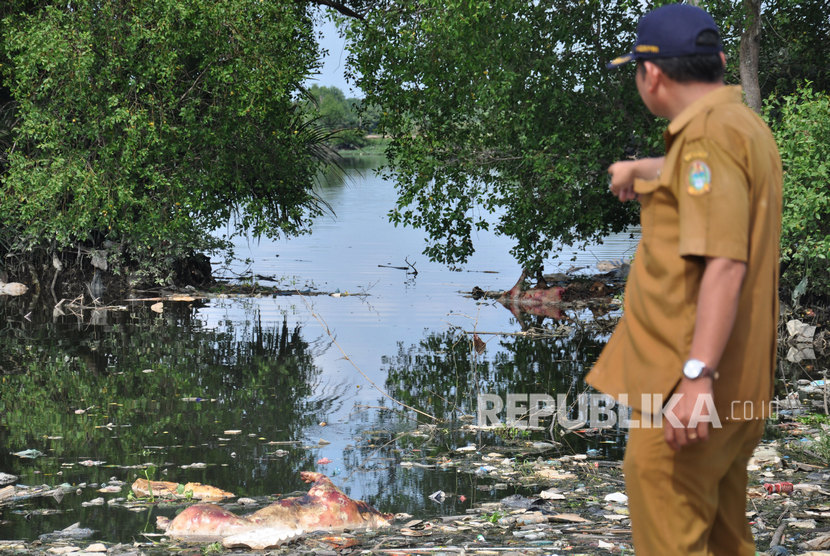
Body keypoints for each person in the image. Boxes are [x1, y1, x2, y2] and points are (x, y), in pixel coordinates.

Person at [585, 4, 782, 555]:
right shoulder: (739, 126)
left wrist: (696, 378)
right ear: (718, 61)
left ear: (651, 74)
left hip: (694, 388)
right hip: (740, 386)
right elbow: (706, 183)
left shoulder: (705, 141)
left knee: (668, 525)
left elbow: (724, 261)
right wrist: (642, 169)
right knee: (723, 537)